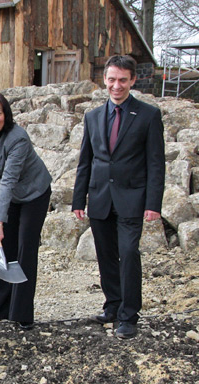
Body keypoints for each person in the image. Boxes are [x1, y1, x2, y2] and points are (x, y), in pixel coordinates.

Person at [72, 55, 165, 339]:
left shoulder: (148, 115)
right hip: (100, 197)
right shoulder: (93, 116)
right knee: (106, 257)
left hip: (132, 198)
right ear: (105, 79)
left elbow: (156, 163)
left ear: (133, 80)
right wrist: (78, 199)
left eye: (123, 80)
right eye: (111, 79)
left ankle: (129, 315)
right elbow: (85, 160)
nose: (116, 86)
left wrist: (153, 203)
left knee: (128, 253)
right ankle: (113, 304)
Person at [0, 92, 52, 330]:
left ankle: (22, 312)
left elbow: (7, 181)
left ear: (6, 115)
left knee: (25, 247)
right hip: (10, 195)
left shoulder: (18, 139)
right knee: (2, 248)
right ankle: (1, 304)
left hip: (33, 194)